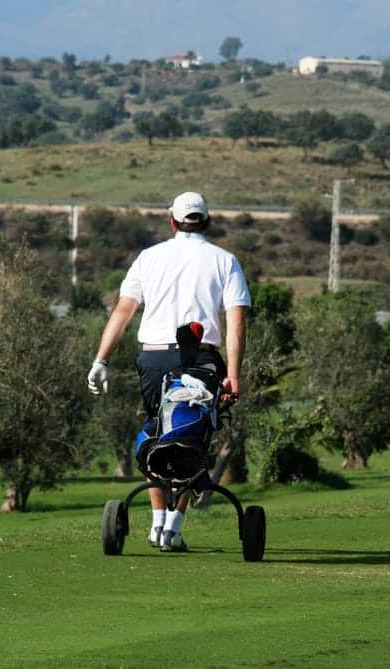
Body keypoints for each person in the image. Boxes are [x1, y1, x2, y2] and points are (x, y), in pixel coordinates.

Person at [87, 191, 251, 553]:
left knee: (156, 430)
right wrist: (234, 373)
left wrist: (102, 359)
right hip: (202, 359)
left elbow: (123, 312)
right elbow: (236, 322)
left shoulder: (149, 258)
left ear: (172, 221)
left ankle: (159, 524)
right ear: (206, 222)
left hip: (154, 359)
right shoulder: (225, 261)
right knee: (195, 434)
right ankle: (173, 528)